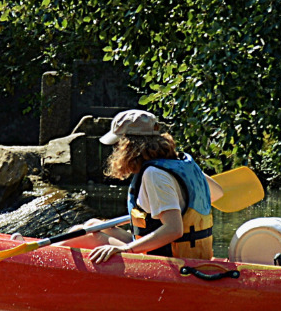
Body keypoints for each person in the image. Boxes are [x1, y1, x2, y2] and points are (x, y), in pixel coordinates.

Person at [69, 110, 222, 263]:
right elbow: (216, 193)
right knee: (93, 224)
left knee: (81, 234)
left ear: (127, 146)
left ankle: (48, 268)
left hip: (171, 259)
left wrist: (125, 249)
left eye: (117, 145)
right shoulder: (183, 165)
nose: (115, 151)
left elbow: (174, 229)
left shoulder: (154, 174)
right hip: (191, 252)